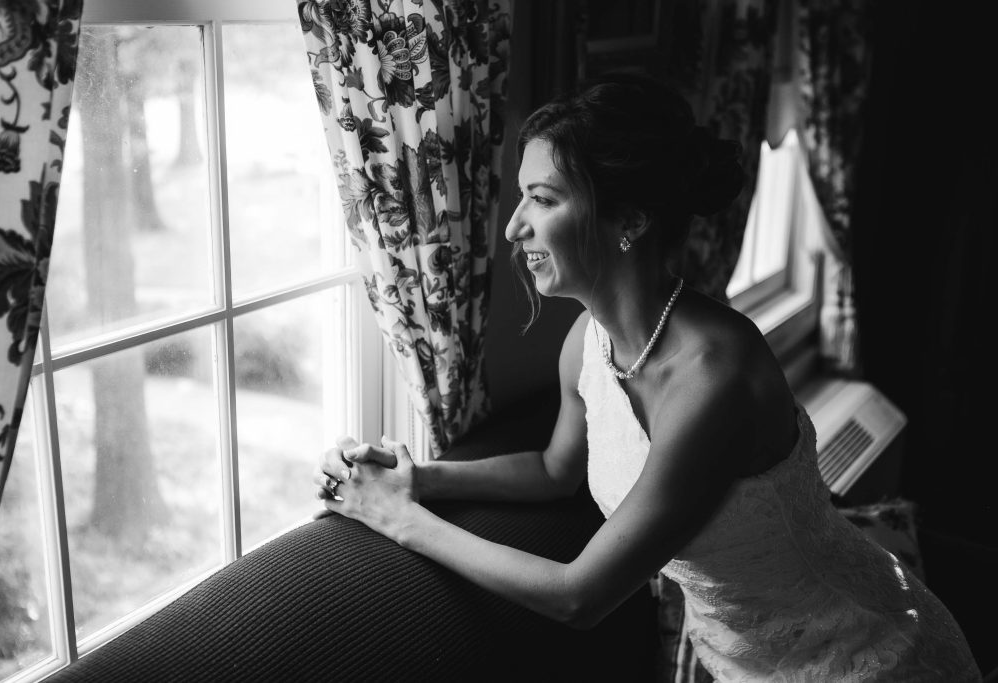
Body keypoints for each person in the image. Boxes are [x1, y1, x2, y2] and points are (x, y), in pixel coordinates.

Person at [314, 72, 981, 682]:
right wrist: (422, 478)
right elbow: (555, 470)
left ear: (629, 221)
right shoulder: (587, 341)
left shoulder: (714, 378)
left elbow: (581, 596)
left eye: (541, 199)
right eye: (522, 197)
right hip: (738, 660)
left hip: (862, 658)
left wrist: (400, 518)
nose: (515, 227)